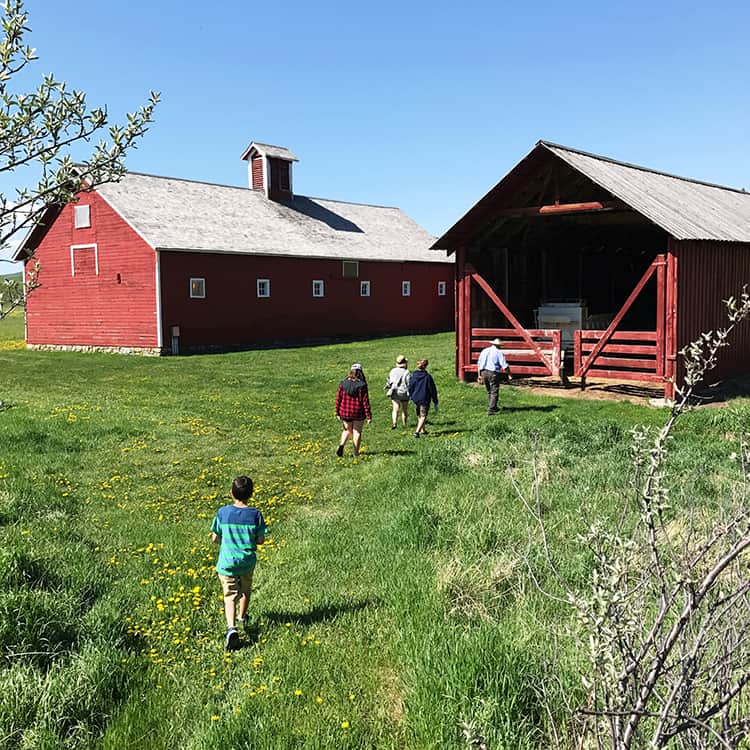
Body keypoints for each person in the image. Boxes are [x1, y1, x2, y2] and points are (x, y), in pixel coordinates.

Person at [210, 475, 268, 650]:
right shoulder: (255, 515)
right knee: (245, 590)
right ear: (251, 494)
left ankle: (231, 628)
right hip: (247, 562)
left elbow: (215, 538)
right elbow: (260, 540)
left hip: (227, 563)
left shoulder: (223, 513)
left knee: (230, 596)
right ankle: (242, 617)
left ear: (231, 493)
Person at [335, 364, 372, 457]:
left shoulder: (343, 383)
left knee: (347, 430)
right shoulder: (362, 385)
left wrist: (337, 411)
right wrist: (368, 415)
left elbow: (338, 398)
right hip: (358, 412)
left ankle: (341, 445)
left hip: (345, 411)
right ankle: (356, 453)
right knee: (357, 431)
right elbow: (365, 401)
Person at [477, 337, 512, 415]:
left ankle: (493, 406)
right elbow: (504, 365)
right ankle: (491, 409)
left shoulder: (484, 350)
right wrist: (509, 374)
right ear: (499, 345)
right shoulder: (498, 352)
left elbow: (479, 363)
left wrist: (479, 375)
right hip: (492, 372)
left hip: (483, 372)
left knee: (489, 391)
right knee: (494, 391)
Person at [409, 358, 438, 438]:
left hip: (416, 398)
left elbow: (410, 386)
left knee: (419, 414)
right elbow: (432, 389)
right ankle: (417, 432)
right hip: (424, 398)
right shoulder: (428, 377)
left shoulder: (414, 376)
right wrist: (435, 400)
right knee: (423, 415)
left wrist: (411, 395)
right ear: (426, 366)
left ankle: (423, 430)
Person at [385, 355, 411, 429]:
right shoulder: (407, 372)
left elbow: (389, 380)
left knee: (395, 409)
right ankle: (404, 424)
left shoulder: (392, 371)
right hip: (404, 392)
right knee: (404, 409)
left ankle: (394, 424)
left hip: (395, 391)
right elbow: (409, 383)